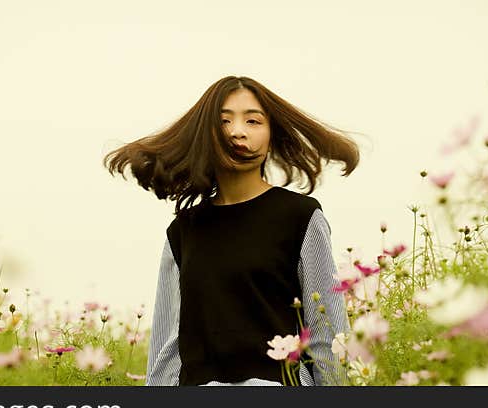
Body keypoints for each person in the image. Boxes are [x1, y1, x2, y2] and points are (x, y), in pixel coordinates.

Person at [103, 76, 359, 386]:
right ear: (206, 135)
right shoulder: (183, 231)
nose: (238, 131)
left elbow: (327, 334)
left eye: (253, 121)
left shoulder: (300, 216)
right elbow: (167, 347)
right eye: (225, 121)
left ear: (271, 134)